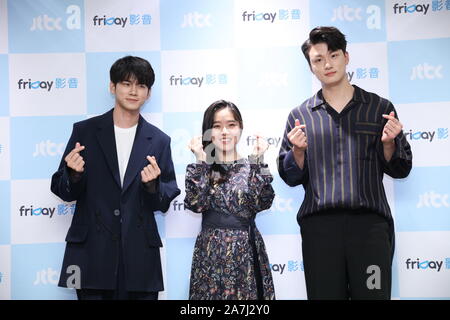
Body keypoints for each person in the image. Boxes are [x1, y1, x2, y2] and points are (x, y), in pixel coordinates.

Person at [277, 27, 412, 300]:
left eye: (333, 55)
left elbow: (402, 167)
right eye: (317, 60)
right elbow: (289, 175)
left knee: (373, 296)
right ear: (311, 67)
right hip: (320, 231)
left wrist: (389, 144)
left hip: (370, 229)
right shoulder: (300, 115)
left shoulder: (379, 108)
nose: (327, 64)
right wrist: (298, 152)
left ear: (346, 57)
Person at [51, 56, 180, 300]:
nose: (133, 91)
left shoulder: (160, 140)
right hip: (91, 254)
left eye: (141, 85)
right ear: (112, 87)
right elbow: (62, 189)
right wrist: (73, 174)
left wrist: (152, 187)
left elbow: (163, 201)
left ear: (148, 93)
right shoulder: (85, 132)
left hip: (140, 256)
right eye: (126, 83)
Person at [184, 100, 276, 300]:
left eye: (231, 125)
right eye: (217, 126)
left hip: (247, 251)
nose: (224, 131)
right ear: (208, 132)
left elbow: (263, 202)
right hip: (211, 253)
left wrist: (258, 161)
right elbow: (195, 204)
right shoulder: (203, 167)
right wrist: (200, 159)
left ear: (241, 128)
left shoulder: (252, 165)